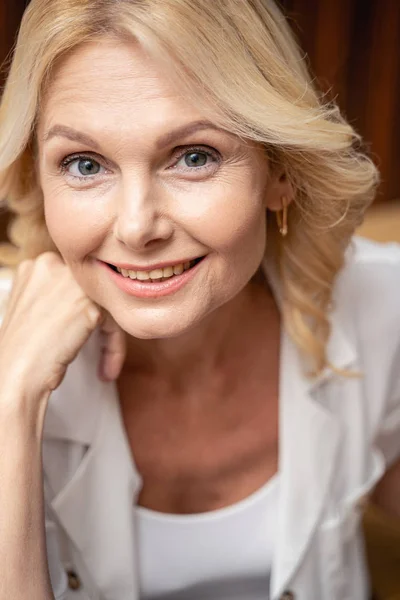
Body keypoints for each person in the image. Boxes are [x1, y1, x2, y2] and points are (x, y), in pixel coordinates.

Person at [0, 0, 399, 598]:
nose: (137, 228)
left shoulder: (380, 306)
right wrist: (12, 404)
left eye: (194, 157)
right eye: (85, 164)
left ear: (279, 170)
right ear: (39, 178)